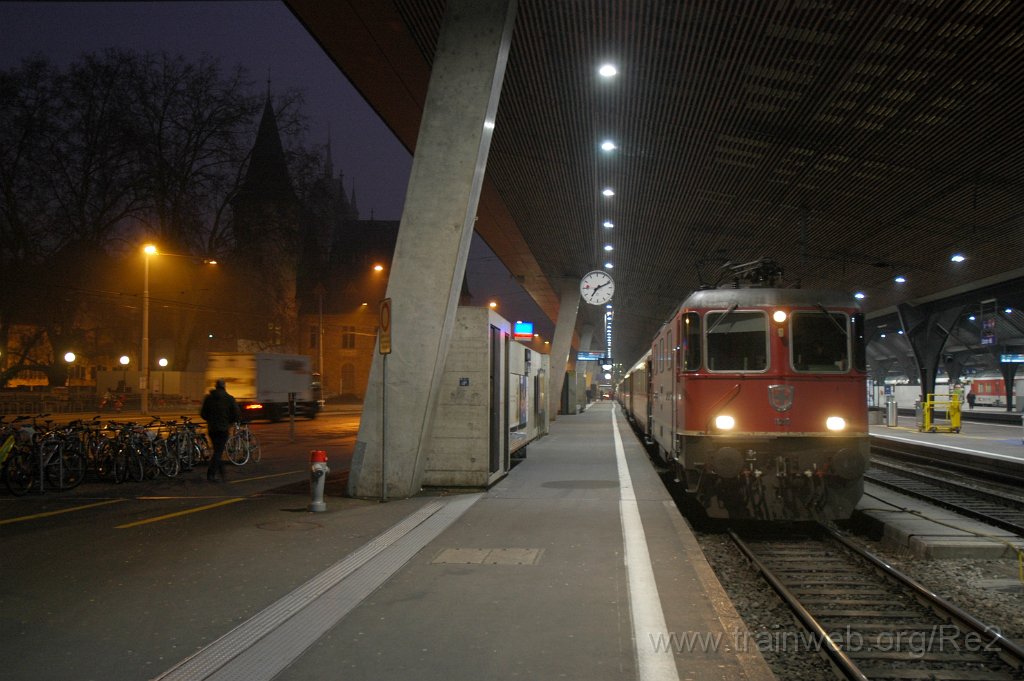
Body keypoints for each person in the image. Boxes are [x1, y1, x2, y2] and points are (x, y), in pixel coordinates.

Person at [201, 378, 241, 482]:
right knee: (218, 452)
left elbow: (203, 414)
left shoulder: (208, 398)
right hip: (223, 429)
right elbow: (236, 414)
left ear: (216, 386)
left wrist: (210, 419)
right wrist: (229, 422)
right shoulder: (229, 399)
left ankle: (222, 473)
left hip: (212, 429)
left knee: (217, 451)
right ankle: (211, 474)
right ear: (224, 387)